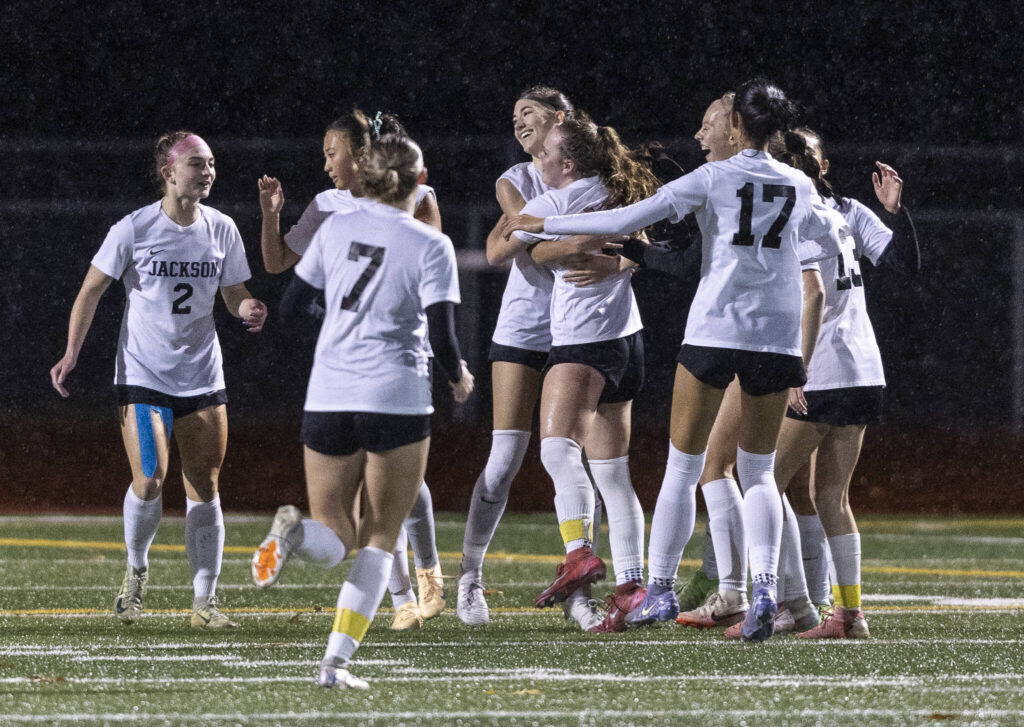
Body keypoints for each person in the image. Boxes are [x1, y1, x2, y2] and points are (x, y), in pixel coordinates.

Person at [504, 78, 843, 642]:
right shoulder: (798, 185)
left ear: (736, 125)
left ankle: (657, 589)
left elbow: (623, 219)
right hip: (776, 338)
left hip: (715, 328)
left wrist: (546, 223)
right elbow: (828, 239)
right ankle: (763, 592)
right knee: (758, 473)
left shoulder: (713, 176)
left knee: (684, 468)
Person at [276, 133, 472, 689]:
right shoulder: (431, 244)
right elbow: (444, 335)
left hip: (330, 392)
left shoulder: (336, 227)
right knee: (381, 537)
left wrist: (343, 330)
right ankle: (334, 665)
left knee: (332, 535)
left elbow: (293, 309)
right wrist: (457, 377)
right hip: (396, 396)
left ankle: (292, 538)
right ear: (419, 178)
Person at [50, 131, 268, 629]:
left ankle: (204, 603)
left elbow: (234, 292)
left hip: (202, 377)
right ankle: (136, 572)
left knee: (205, 486)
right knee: (149, 479)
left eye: (212, 163)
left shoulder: (223, 228)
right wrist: (72, 353)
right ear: (169, 173)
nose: (208, 171)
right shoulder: (134, 228)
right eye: (196, 163)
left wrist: (247, 307)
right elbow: (91, 291)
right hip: (144, 377)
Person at [252, 110, 447, 631]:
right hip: (360, 367)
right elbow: (279, 267)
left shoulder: (418, 200)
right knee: (377, 494)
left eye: (330, 152)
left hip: (396, 359)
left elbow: (425, 278)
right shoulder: (328, 207)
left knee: (399, 489)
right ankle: (403, 595)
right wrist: (272, 214)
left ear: (363, 155)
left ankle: (427, 572)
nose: (325, 165)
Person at [457, 87, 619, 628]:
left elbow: (633, 246)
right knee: (504, 462)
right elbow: (506, 244)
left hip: (585, 332)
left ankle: (581, 592)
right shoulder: (518, 178)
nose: (518, 121)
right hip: (526, 328)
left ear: (561, 119)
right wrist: (577, 244)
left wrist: (619, 261)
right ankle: (469, 579)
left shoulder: (603, 177)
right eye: (513, 115)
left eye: (529, 112)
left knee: (584, 465)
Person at [767, 128, 920, 639]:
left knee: (762, 484)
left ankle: (787, 601)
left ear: (820, 165)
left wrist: (797, 367)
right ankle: (847, 614)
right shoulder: (844, 210)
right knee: (828, 495)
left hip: (826, 369)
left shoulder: (801, 214)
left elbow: (813, 296)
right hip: (862, 369)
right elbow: (905, 265)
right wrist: (896, 214)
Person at [514, 115, 660, 632]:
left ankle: (579, 552)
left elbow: (499, 246)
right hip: (629, 341)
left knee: (556, 449)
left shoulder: (555, 202)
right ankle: (633, 587)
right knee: (614, 474)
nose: (538, 160)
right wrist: (615, 257)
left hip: (583, 341)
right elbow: (642, 245)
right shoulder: (624, 192)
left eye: (546, 153)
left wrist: (557, 240)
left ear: (568, 164)